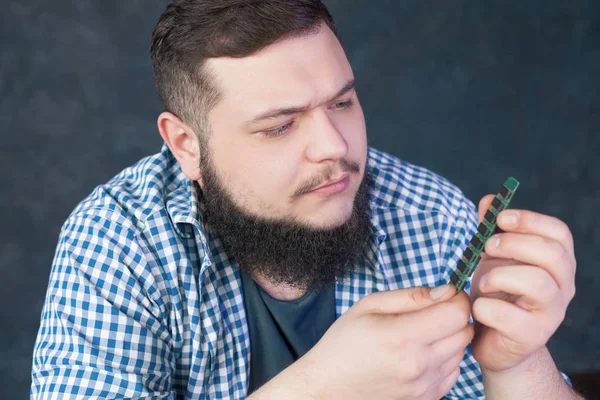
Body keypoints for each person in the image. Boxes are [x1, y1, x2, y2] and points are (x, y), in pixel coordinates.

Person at [31, 1, 582, 399]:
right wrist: (321, 389)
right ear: (186, 145)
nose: (335, 147)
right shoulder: (118, 242)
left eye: (342, 102)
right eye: (279, 126)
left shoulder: (430, 218)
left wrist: (517, 363)